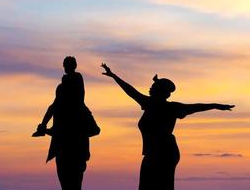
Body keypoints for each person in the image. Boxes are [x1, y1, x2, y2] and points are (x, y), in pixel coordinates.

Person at [101, 63, 234, 190]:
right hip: (156, 152)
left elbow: (197, 106)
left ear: (160, 91)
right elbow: (130, 90)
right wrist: (113, 75)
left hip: (164, 152)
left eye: (154, 86)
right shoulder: (153, 104)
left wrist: (216, 105)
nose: (150, 88)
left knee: (157, 185)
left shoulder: (163, 106)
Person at [33, 56, 100, 190]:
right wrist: (43, 125)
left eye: (68, 65)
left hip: (75, 145)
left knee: (74, 181)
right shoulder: (61, 92)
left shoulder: (76, 82)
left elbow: (71, 100)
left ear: (73, 66)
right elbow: (52, 106)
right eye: (65, 65)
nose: (66, 68)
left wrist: (44, 126)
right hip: (63, 144)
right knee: (65, 180)